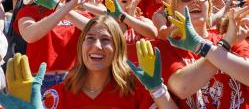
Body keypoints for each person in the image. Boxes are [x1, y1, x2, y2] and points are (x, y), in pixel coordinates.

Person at [0, 16, 178, 109]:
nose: (97, 46)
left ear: (118, 48)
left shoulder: (137, 89)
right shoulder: (58, 94)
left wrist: (157, 89)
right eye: (90, 38)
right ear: (81, 45)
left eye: (106, 40)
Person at [164, 0, 249, 108]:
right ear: (174, 9)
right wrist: (225, 45)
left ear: (209, 8)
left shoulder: (231, 38)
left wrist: (210, 46)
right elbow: (182, 88)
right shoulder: (166, 46)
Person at [13, 0, 92, 94]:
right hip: (37, 80)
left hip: (73, 80)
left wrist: (58, 6)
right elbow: (29, 35)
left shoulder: (80, 15)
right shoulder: (30, 10)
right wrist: (60, 8)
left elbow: (97, 30)